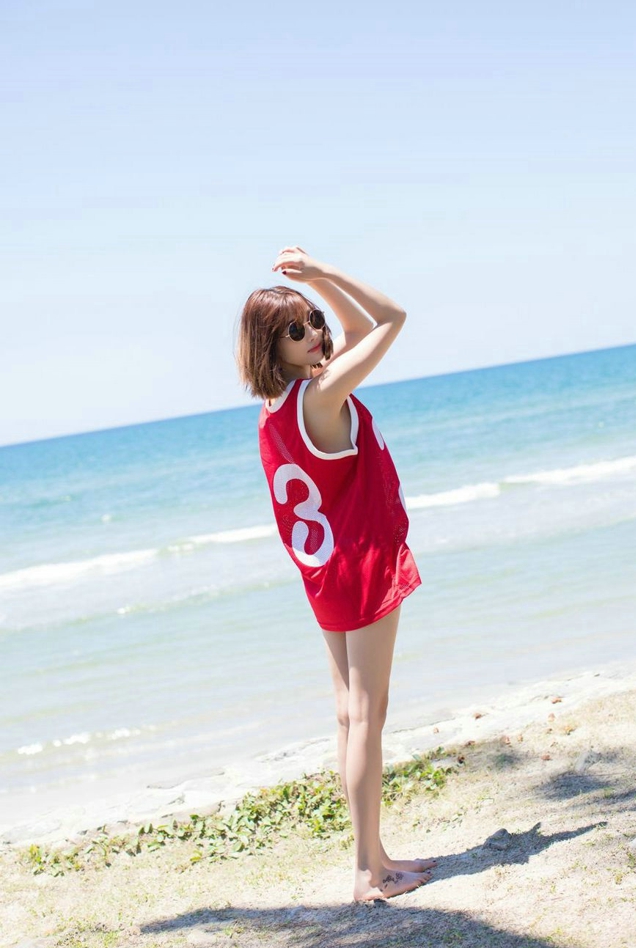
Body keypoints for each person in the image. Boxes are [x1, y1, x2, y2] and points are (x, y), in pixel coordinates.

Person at [236, 246, 434, 901]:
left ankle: (374, 857)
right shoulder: (321, 396)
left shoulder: (277, 409)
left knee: (351, 716)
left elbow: (354, 330)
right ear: (271, 346)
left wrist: (320, 297)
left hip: (324, 573)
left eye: (314, 319)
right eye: (296, 329)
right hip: (360, 562)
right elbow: (391, 318)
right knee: (368, 714)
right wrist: (322, 273)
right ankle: (369, 872)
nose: (315, 333)